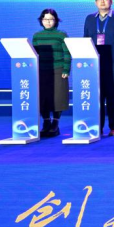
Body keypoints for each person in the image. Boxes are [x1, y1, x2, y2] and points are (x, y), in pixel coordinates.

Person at [83, 0, 114, 136]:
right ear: (95, 2)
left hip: (113, 60)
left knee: (113, 94)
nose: (102, 1)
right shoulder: (90, 19)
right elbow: (86, 40)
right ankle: (98, 126)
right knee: (97, 94)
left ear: (111, 1)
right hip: (95, 61)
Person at [33, 9, 71, 138]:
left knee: (58, 97)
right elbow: (34, 55)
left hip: (58, 69)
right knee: (43, 97)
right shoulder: (37, 36)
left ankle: (55, 123)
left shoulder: (61, 35)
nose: (48, 22)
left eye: (51, 19)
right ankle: (46, 122)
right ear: (41, 20)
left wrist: (66, 69)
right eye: (45, 19)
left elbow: (67, 53)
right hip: (42, 70)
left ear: (56, 21)